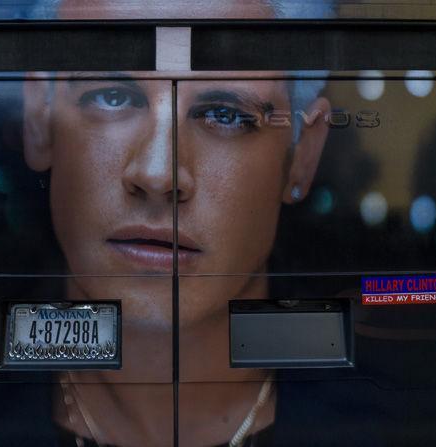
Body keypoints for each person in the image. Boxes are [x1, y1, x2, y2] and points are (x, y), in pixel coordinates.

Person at [23, 1, 332, 445]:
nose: (157, 174)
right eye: (112, 96)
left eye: (224, 114)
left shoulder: (403, 425)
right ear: (38, 121)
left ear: (302, 156)